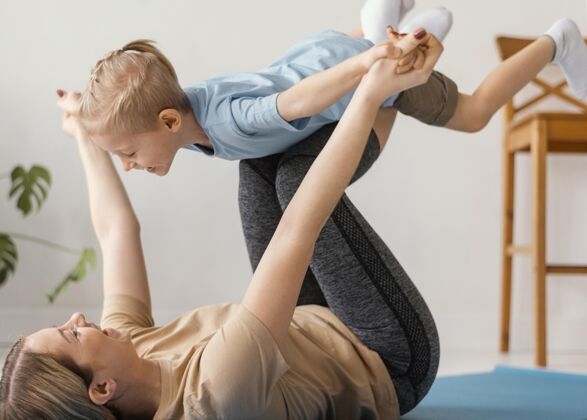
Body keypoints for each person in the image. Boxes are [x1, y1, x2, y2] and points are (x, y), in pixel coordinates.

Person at [1, 29, 444, 420]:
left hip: (306, 323)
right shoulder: (217, 395)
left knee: (258, 157)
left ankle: (351, 58)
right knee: (292, 185)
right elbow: (297, 231)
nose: (79, 317)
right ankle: (384, 81)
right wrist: (368, 94)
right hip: (383, 356)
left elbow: (116, 231)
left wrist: (85, 135)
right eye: (72, 333)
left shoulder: (130, 350)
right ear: (101, 389)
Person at [57, 7, 586, 175]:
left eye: (127, 154)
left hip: (345, 75)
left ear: (169, 123)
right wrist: (81, 110)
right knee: (363, 50)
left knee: (471, 114)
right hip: (318, 50)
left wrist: (370, 64)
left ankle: (556, 42)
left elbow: (301, 101)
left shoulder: (230, 123)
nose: (128, 165)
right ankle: (390, 27)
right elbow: (128, 105)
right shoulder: (178, 101)